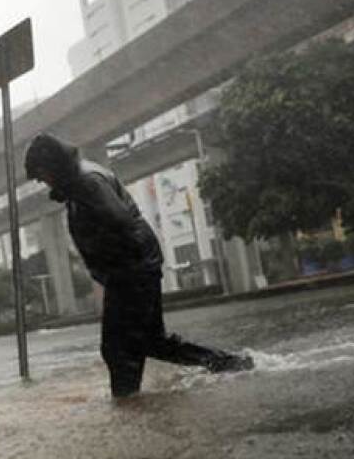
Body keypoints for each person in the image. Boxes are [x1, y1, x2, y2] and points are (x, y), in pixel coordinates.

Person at [24, 132, 253, 398]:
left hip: (131, 268)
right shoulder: (79, 180)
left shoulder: (86, 182)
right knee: (152, 342)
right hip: (135, 264)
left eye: (42, 174)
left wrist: (116, 270)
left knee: (118, 348)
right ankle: (230, 364)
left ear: (53, 164)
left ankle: (126, 405)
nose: (43, 181)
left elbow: (118, 221)